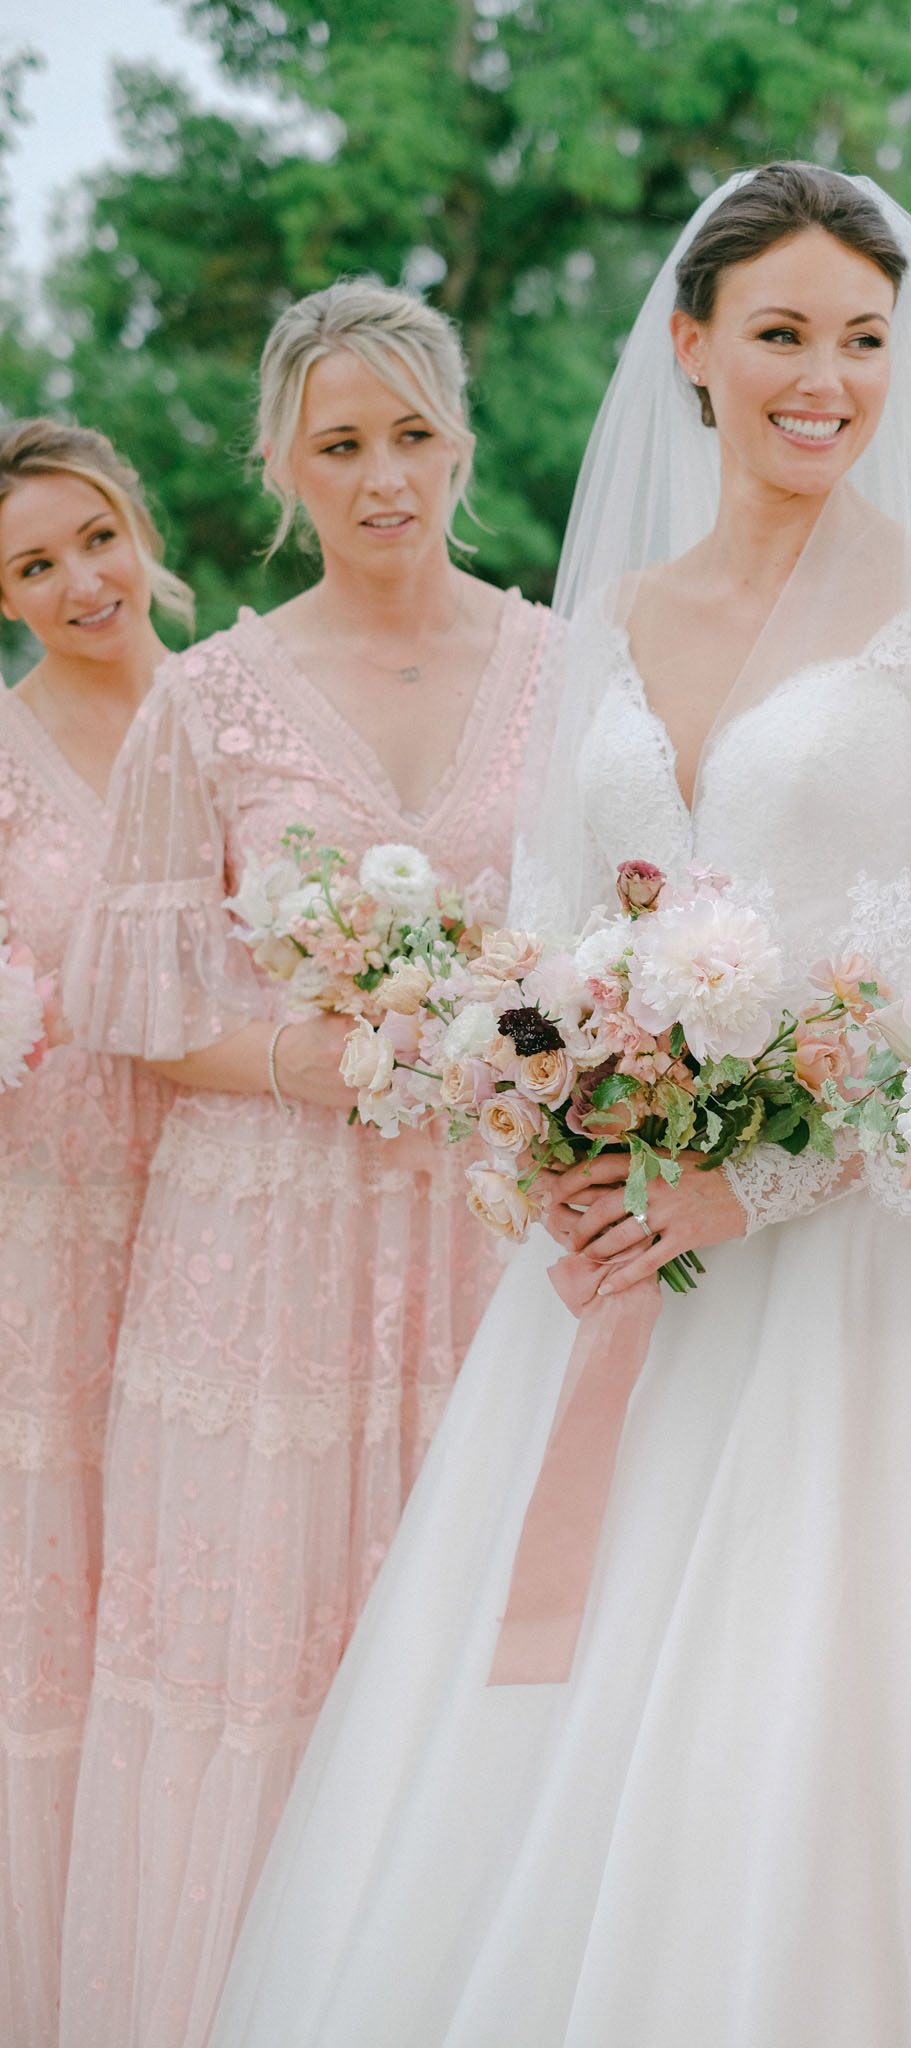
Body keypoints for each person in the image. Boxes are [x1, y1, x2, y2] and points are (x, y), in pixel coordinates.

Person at [209, 162, 911, 2048]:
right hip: (612, 1270)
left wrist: (750, 1187)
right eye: (778, 333)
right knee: (550, 1739)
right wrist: (565, 1140)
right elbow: (539, 944)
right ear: (690, 347)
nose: (823, 379)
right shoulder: (603, 620)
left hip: (856, 1293)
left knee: (791, 1741)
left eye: (862, 340)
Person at [58, 281, 555, 2048]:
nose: (382, 478)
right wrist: (331, 1059)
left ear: (461, 442)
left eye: (412, 436)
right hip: (261, 1255)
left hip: (491, 1241)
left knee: (472, 1638)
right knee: (269, 1651)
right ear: (279, 460)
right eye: (340, 444)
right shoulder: (208, 701)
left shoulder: (563, 671)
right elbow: (135, 1005)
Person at [0, 419, 183, 2045]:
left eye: (95, 538)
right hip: (58, 1221)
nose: (78, 583)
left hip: (228, 1212)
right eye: (32, 566)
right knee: (75, 1578)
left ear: (140, 530)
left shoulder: (234, 708)